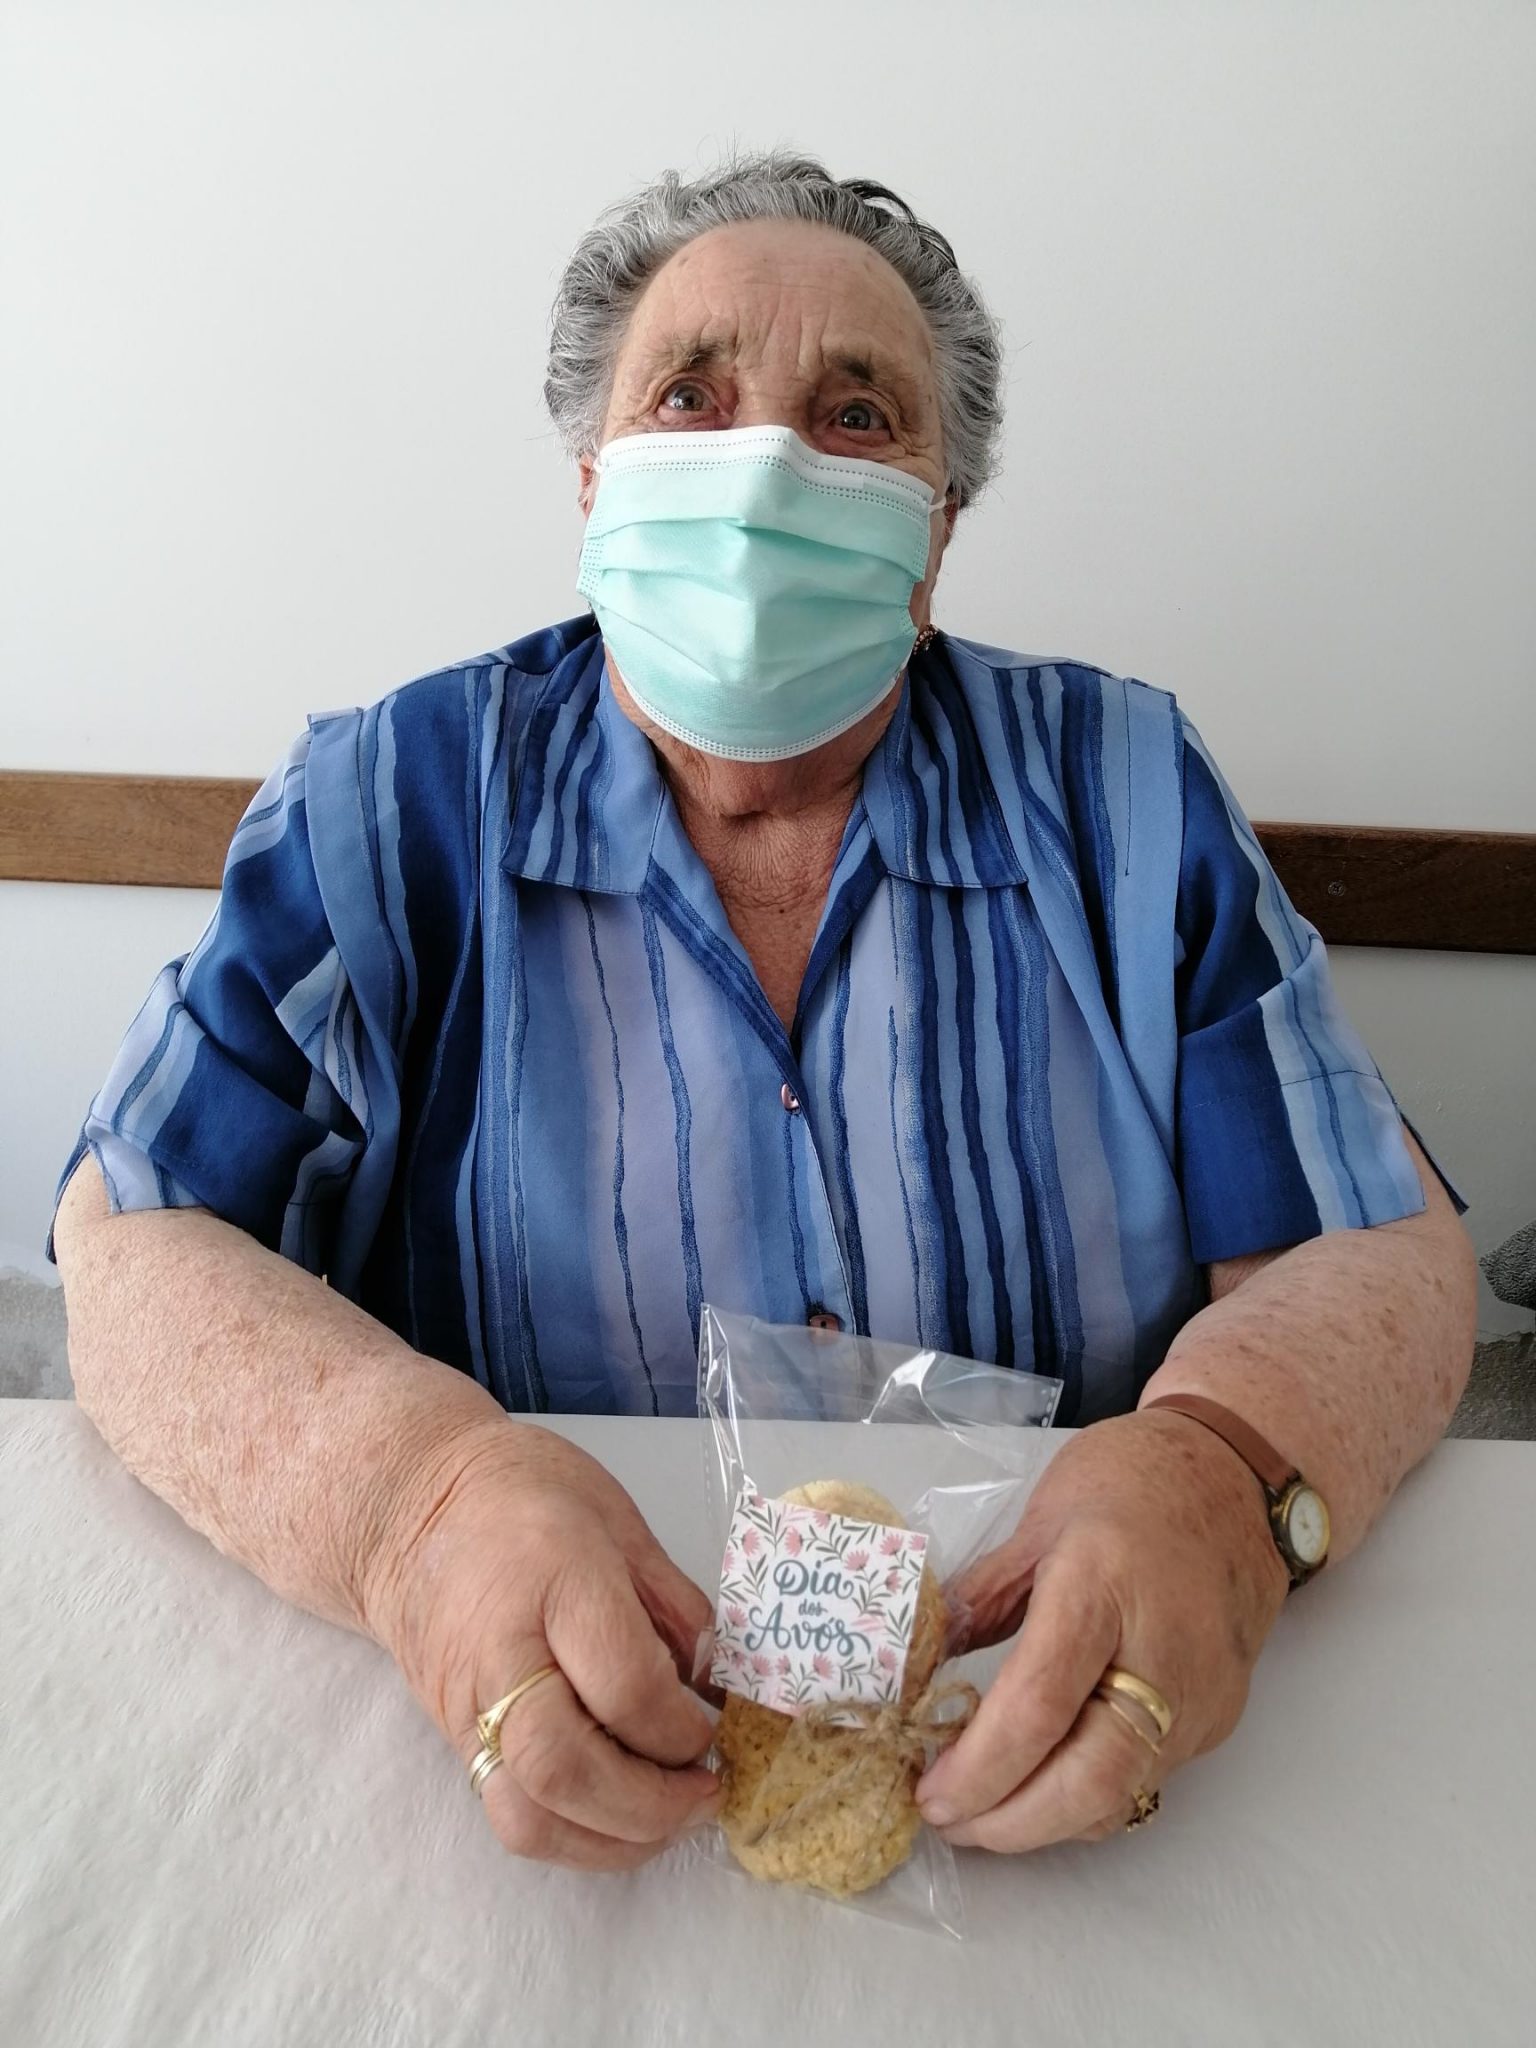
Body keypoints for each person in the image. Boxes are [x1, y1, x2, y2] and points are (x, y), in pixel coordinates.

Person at [49, 151, 1476, 1871]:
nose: (769, 469)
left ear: (936, 534)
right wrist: (413, 1510)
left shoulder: (1127, 796)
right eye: (692, 396)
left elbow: (1378, 1245)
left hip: (1057, 1748)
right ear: (595, 484)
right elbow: (134, 1237)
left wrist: (1221, 1478)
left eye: (857, 416)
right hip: (499, 1774)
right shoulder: (387, 805)